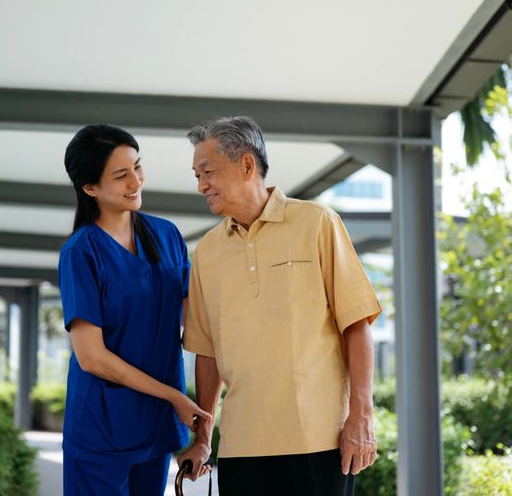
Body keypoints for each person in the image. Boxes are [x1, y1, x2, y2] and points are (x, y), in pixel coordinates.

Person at [177, 116, 381, 496]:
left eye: (208, 172)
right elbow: (207, 353)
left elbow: (356, 324)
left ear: (247, 165)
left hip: (319, 442)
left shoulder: (317, 223)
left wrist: (362, 415)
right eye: (197, 175)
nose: (201, 185)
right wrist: (204, 437)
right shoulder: (207, 252)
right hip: (242, 446)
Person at [58, 124, 211, 496]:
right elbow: (91, 357)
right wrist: (174, 395)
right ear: (90, 188)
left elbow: (199, 326)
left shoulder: (168, 236)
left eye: (137, 167)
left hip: (155, 427)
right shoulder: (81, 252)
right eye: (121, 174)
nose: (136, 181)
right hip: (100, 430)